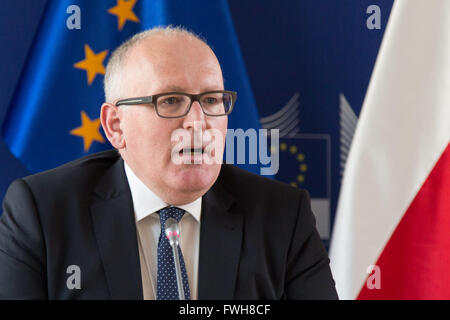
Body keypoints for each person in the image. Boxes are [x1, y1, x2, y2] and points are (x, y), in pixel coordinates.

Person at [0, 26, 338, 299]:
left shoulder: (282, 216)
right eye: (171, 100)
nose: (199, 122)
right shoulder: (43, 214)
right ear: (116, 126)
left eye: (210, 100)